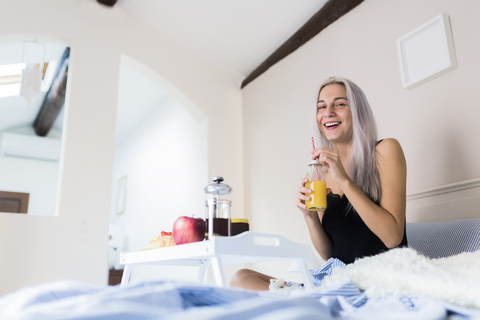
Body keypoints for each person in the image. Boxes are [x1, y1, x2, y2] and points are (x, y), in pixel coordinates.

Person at [230, 76, 408, 291]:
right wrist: (310, 217)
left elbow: (392, 238)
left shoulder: (385, 150)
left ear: (358, 111)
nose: (328, 112)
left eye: (340, 104)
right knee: (241, 278)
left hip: (379, 277)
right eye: (321, 107)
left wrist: (344, 179)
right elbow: (329, 255)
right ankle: (307, 303)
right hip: (337, 278)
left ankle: (304, 304)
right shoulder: (320, 173)